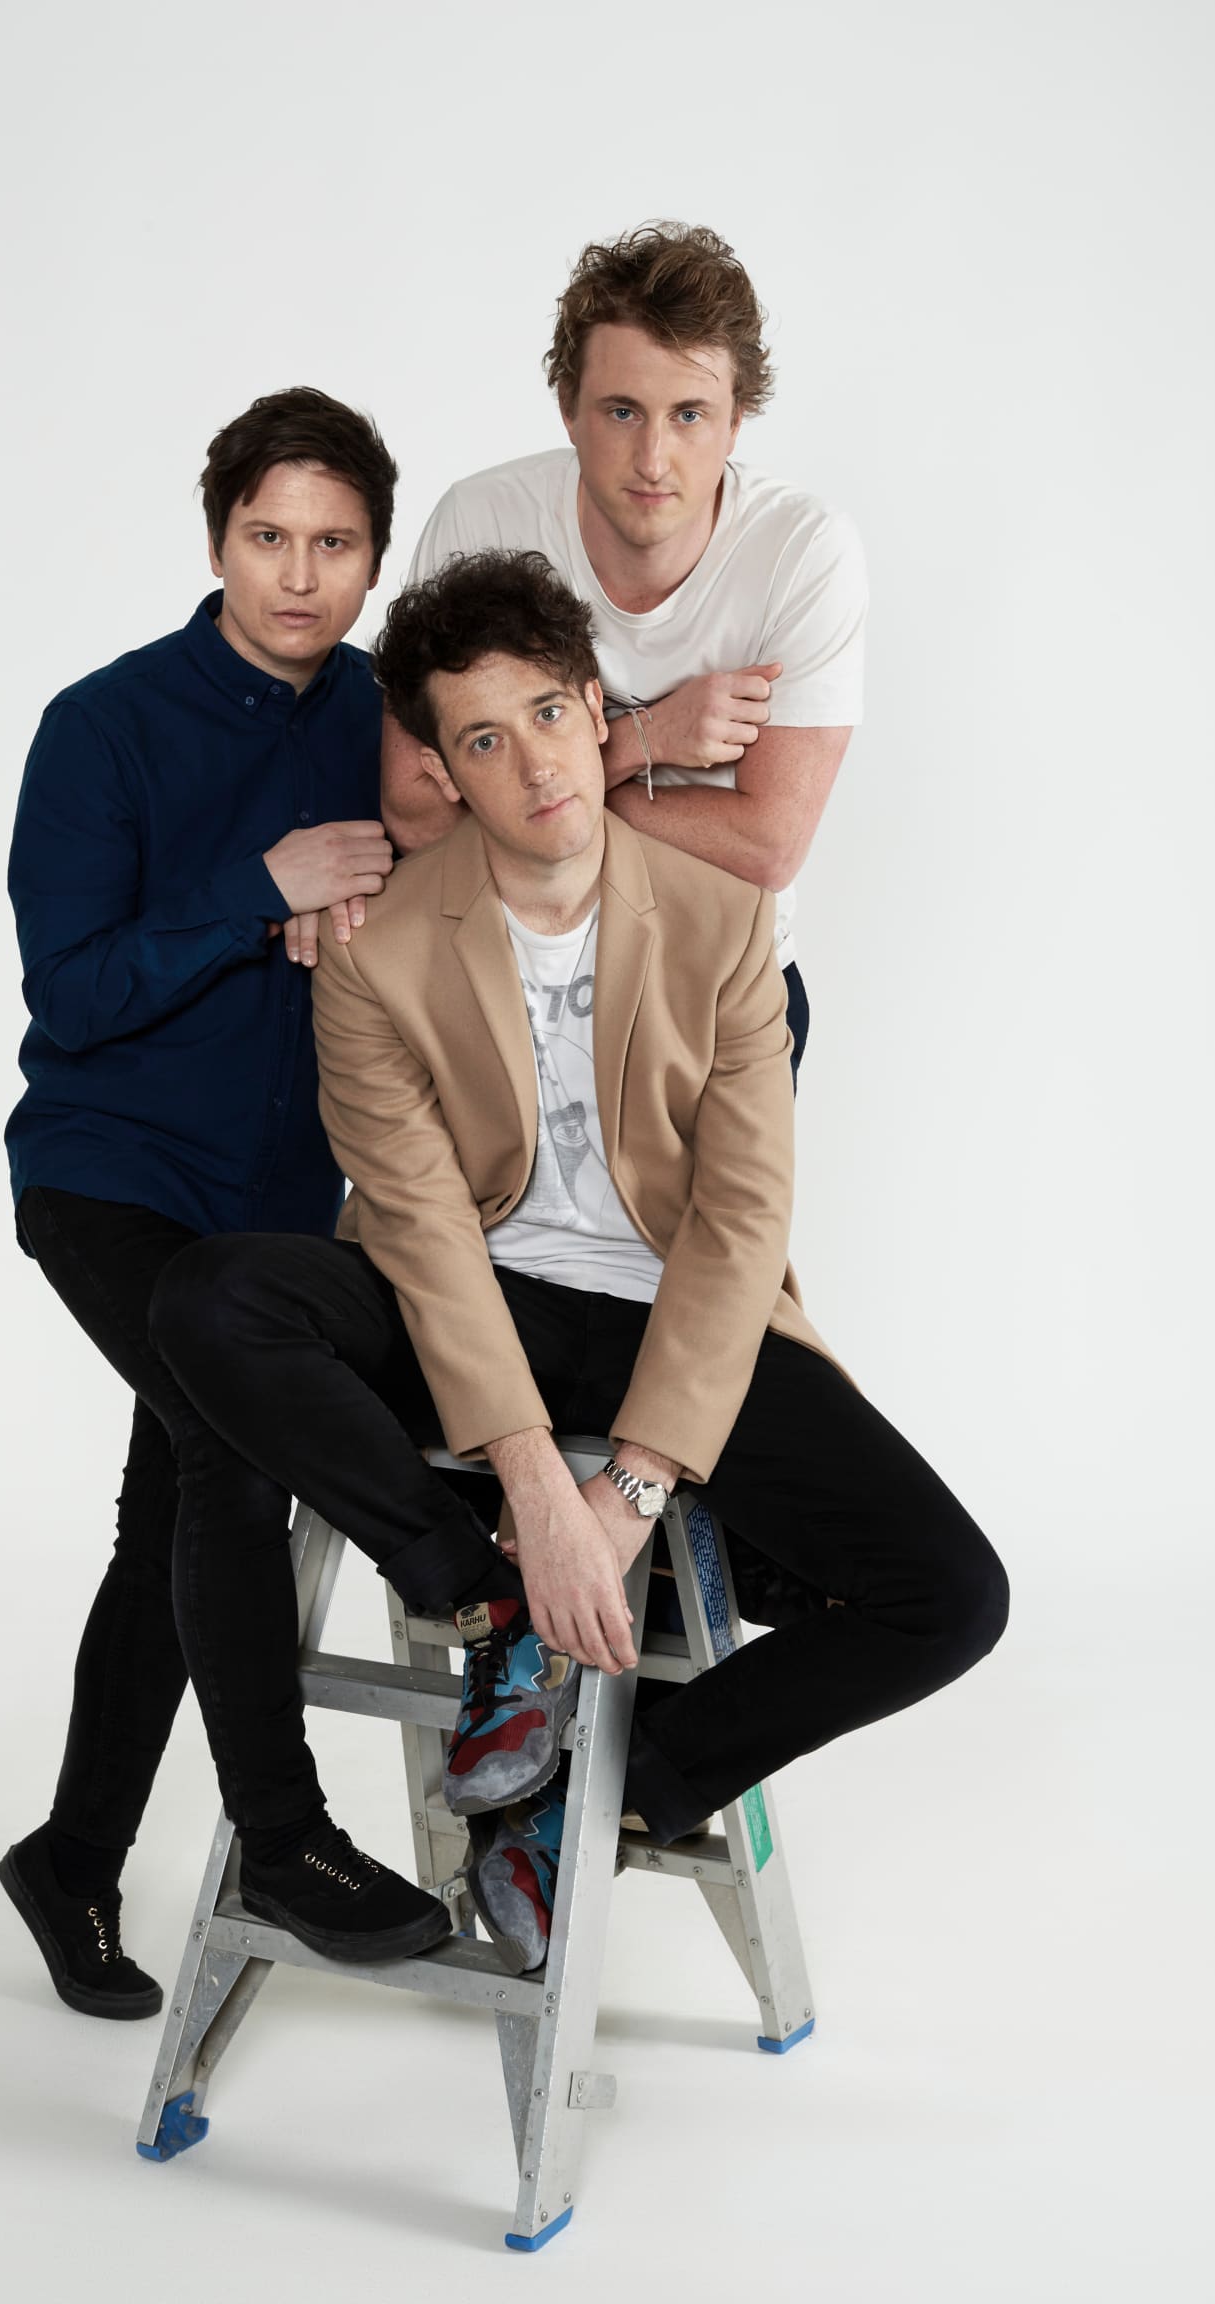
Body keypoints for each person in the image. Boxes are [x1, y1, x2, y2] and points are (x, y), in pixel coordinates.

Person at [145, 551, 1006, 1975]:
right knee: (211, 1297)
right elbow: (419, 1224)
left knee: (952, 1596)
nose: (535, 762)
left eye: (549, 713)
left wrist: (630, 1492)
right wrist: (537, 1496)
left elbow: (739, 1220)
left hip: (675, 1315)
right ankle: (486, 1604)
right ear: (442, 773)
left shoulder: (724, 921)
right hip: (471, 1304)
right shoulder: (376, 951)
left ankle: (606, 1799)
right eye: (485, 740)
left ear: (599, 713)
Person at [0, 388, 400, 2016]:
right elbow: (75, 989)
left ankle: (71, 1861)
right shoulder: (105, 726)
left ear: (373, 555)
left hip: (282, 1208)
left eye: (335, 543)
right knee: (227, 1450)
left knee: (166, 1511)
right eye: (268, 537)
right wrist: (261, 893)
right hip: (109, 1176)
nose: (300, 576)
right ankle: (285, 1839)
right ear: (219, 537)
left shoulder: (387, 714)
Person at [384, 221, 867, 1085]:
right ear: (568, 407)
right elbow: (417, 809)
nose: (653, 459)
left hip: (714, 984)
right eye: (621, 411)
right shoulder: (481, 521)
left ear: (737, 420)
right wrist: (649, 740)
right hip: (505, 976)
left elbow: (766, 847)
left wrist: (545, 795)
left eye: (689, 415)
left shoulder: (801, 551)